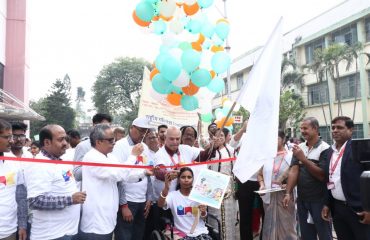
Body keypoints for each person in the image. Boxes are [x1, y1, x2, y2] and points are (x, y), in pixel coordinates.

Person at [80, 124, 152, 240]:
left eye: (113, 139)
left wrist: (143, 173)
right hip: (96, 222)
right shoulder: (92, 157)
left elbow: (123, 176)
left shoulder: (109, 157)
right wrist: (133, 155)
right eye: (110, 140)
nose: (114, 142)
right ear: (98, 142)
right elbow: (119, 174)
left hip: (108, 219)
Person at [23, 125, 86, 240]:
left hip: (67, 231)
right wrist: (70, 199)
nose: (66, 143)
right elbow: (35, 201)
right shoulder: (39, 165)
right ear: (47, 142)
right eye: (60, 139)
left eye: (66, 139)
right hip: (51, 235)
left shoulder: (59, 160)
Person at [321, 116, 370, 239]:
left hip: (358, 210)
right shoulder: (329, 152)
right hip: (337, 209)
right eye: (333, 128)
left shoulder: (360, 148)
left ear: (351, 130)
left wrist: (369, 209)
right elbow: (329, 179)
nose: (335, 130)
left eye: (340, 127)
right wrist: (327, 204)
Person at [283, 117, 331, 240]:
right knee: (306, 235)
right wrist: (288, 192)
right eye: (301, 128)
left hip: (319, 200)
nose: (302, 131)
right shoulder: (299, 147)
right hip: (303, 199)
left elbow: (322, 176)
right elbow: (294, 170)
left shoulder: (325, 148)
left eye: (305, 128)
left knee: (324, 234)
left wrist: (303, 159)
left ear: (315, 129)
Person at [112, 117, 154, 240]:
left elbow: (149, 173)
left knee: (138, 236)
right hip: (128, 201)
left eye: (146, 131)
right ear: (131, 128)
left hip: (142, 201)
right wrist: (123, 205)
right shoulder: (120, 146)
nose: (143, 134)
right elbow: (119, 177)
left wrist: (149, 198)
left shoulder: (144, 147)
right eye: (141, 130)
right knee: (124, 236)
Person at [257, 130, 297, 240]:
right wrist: (262, 185)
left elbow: (297, 176)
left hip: (285, 197)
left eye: (276, 139)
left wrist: (288, 186)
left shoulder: (291, 156)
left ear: (283, 139)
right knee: (270, 225)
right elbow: (260, 175)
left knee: (287, 226)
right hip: (269, 198)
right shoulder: (268, 157)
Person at [157, 167, 212, 240]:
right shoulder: (173, 195)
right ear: (179, 180)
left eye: (189, 177)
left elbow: (203, 217)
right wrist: (166, 188)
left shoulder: (198, 195)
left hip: (201, 232)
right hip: (183, 234)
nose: (186, 180)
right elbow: (160, 204)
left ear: (193, 180)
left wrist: (203, 212)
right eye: (183, 177)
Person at [208, 128, 239, 240]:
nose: (219, 138)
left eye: (222, 135)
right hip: (212, 187)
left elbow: (234, 170)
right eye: (217, 135)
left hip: (228, 189)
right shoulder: (209, 151)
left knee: (228, 218)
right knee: (215, 218)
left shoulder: (231, 150)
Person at [0, 119, 27, 240]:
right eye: (7, 137)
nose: (12, 141)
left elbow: (20, 197)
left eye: (11, 136)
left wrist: (22, 225)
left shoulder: (13, 162)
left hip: (9, 231)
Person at [73, 113, 112, 180]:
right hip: (92, 188)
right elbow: (77, 175)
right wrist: (96, 164)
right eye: (104, 127)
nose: (107, 130)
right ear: (94, 126)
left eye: (109, 127)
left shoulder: (112, 145)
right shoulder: (83, 146)